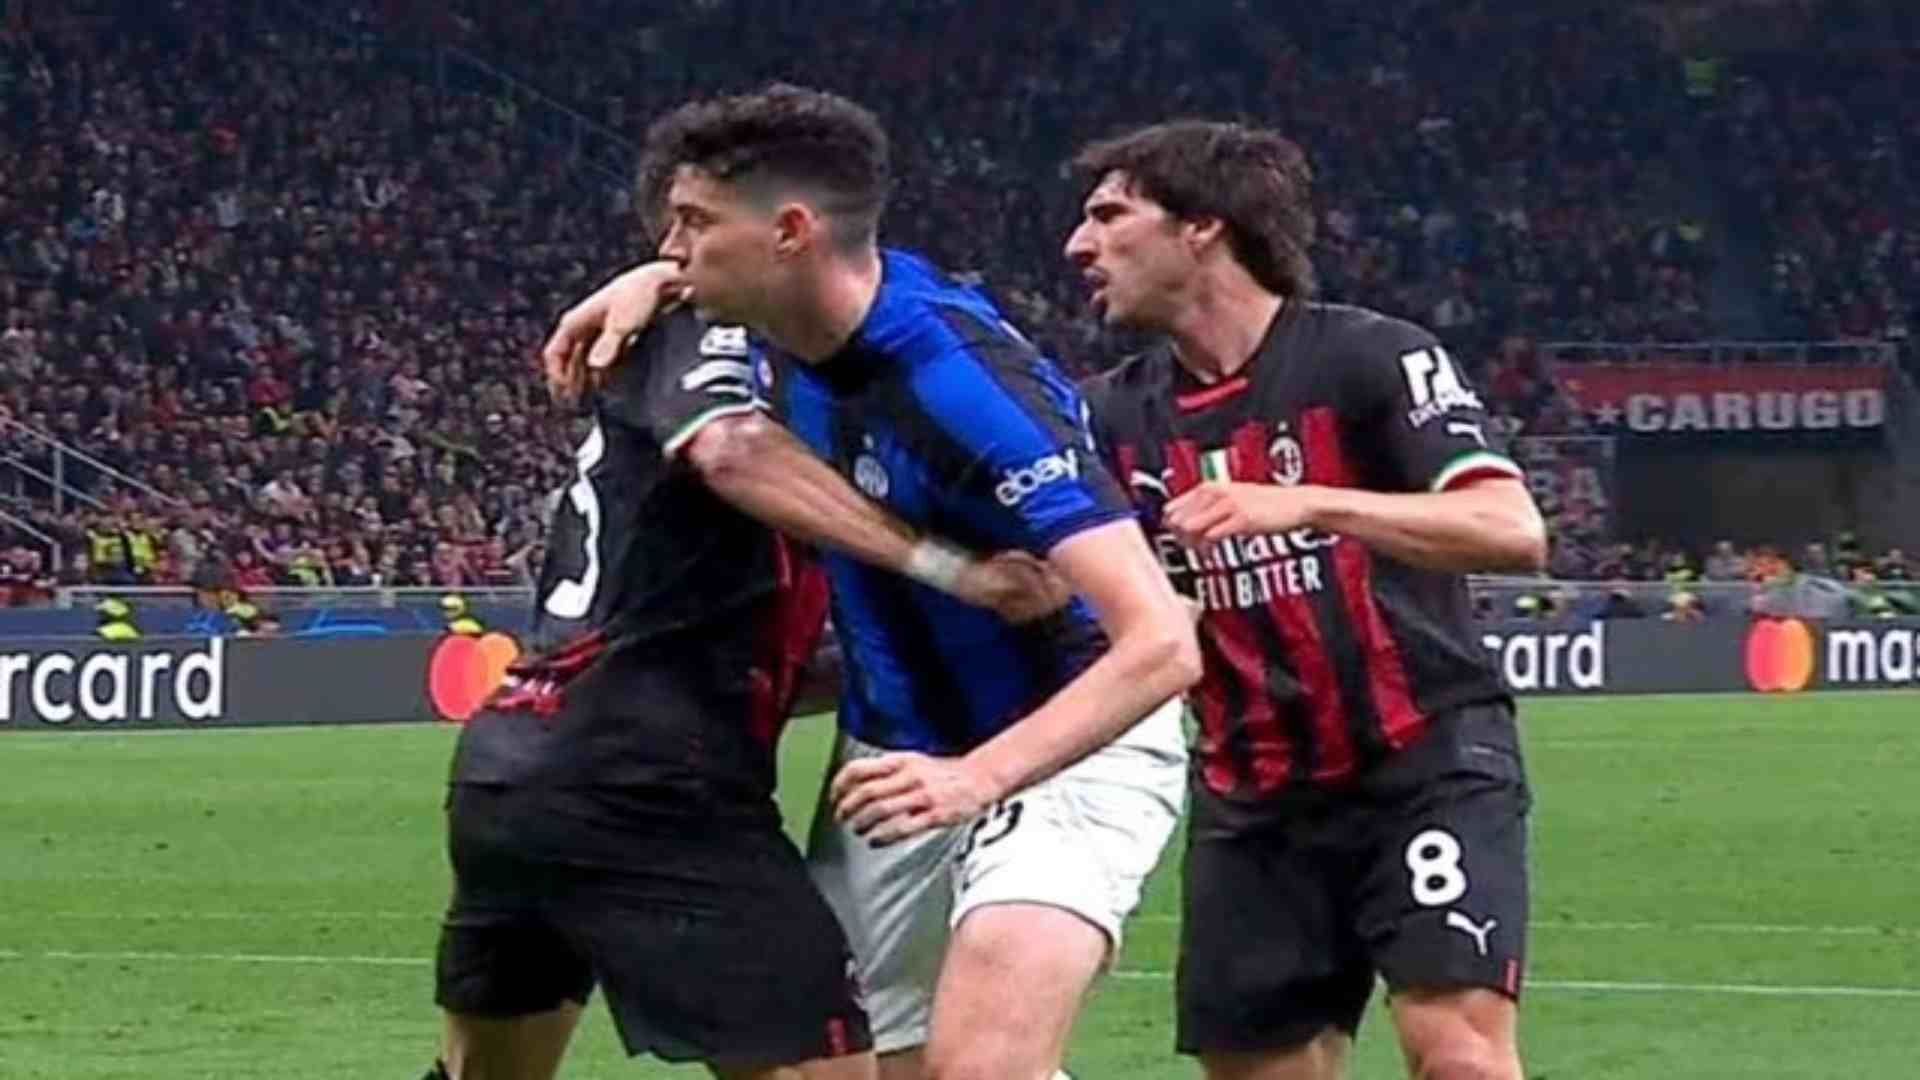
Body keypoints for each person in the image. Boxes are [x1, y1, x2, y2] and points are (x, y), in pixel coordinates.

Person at [540, 84, 1200, 1080]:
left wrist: (978, 778)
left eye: (693, 224)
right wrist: (651, 281)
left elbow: (1162, 644)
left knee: (982, 1070)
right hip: (895, 756)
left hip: (1067, 734)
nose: (671, 247)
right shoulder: (798, 314)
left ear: (790, 232)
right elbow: (730, 283)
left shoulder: (964, 384)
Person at [1066, 121, 1547, 1080]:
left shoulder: (1372, 357)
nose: (1081, 245)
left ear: (1202, 226)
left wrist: (1308, 502)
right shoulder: (1108, 414)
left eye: (1109, 215)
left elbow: (1510, 527)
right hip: (1253, 797)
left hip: (1423, 761)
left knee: (1459, 1056)